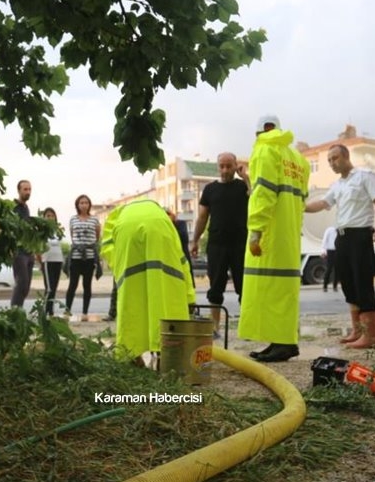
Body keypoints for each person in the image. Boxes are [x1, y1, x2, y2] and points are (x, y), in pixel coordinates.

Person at [237, 115, 309, 363]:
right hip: (289, 235)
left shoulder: (264, 150)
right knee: (284, 290)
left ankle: (282, 344)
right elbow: (302, 201)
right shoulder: (298, 159)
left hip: (271, 232)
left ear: (258, 134)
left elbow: (263, 193)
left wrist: (255, 231)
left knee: (267, 289)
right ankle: (283, 341)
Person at [305, 145, 375, 349]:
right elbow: (323, 203)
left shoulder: (365, 176)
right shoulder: (337, 185)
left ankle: (371, 337)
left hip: (360, 235)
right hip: (342, 237)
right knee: (348, 284)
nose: (332, 163)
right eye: (329, 160)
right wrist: (299, 207)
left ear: (346, 156)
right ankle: (357, 330)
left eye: (335, 158)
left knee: (362, 283)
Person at [100, 199, 195, 365]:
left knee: (131, 299)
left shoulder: (116, 216)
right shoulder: (164, 219)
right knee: (163, 292)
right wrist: (189, 298)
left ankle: (130, 356)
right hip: (159, 229)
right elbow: (182, 262)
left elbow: (107, 248)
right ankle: (164, 355)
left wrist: (121, 270)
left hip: (126, 229)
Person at [190, 152, 250, 339]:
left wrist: (246, 177)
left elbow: (257, 197)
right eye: (221, 166)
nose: (225, 170)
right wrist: (195, 239)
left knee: (244, 287)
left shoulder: (243, 187)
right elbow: (202, 217)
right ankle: (215, 326)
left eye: (229, 166)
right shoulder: (209, 189)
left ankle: (247, 326)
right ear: (218, 167)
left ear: (235, 166)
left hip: (240, 244)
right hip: (217, 244)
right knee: (215, 287)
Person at [65, 194, 101, 321]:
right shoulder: (73, 219)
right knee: (72, 284)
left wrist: (87, 246)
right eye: (81, 203)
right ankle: (67, 310)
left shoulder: (95, 220)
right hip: (76, 257)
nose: (84, 205)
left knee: (87, 285)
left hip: (89, 257)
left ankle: (85, 312)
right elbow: (72, 235)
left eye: (86, 202)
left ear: (89, 205)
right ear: (77, 205)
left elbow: (97, 237)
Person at [10, 180, 34, 308]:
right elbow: (10, 228)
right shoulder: (14, 207)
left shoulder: (26, 208)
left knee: (26, 288)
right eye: (25, 189)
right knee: (22, 284)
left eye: (29, 189)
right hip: (19, 252)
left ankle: (18, 311)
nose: (28, 192)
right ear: (19, 190)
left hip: (29, 251)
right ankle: (14, 313)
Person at [37, 207, 64, 316]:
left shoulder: (58, 231)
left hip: (58, 261)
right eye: (48, 215)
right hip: (47, 262)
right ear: (44, 217)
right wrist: (41, 263)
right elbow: (37, 250)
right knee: (49, 289)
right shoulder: (41, 231)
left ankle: (50, 311)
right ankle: (43, 311)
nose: (50, 218)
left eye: (52, 216)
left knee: (54, 288)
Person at [321, 225, 339, 293]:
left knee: (337, 269)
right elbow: (325, 240)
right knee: (329, 269)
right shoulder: (330, 230)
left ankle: (335, 286)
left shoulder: (341, 231)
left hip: (338, 250)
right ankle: (325, 286)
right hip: (330, 250)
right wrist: (323, 250)